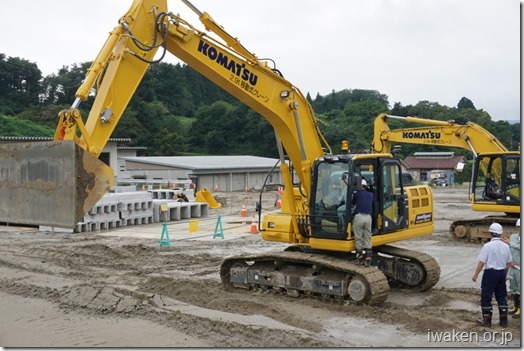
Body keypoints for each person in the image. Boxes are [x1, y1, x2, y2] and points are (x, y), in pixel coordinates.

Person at [472, 222, 514, 327]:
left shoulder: (487, 246)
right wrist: (505, 275)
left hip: (490, 273)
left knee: (486, 296)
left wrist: (476, 274)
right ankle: (504, 321)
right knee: (501, 296)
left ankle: (486, 321)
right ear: (500, 234)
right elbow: (508, 263)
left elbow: (482, 262)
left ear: (491, 233)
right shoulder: (506, 246)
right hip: (501, 273)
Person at [351, 178, 373, 266]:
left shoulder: (357, 194)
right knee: (367, 237)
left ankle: (359, 258)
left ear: (360, 186)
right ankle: (368, 258)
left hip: (359, 217)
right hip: (368, 217)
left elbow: (352, 204)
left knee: (358, 237)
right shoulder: (371, 194)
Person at [502, 218, 521, 318]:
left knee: (520, 288)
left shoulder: (512, 241)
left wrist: (510, 243)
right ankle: (516, 307)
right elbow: (509, 250)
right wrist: (509, 262)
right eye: (518, 227)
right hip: (513, 266)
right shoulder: (513, 236)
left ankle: (520, 309)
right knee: (513, 287)